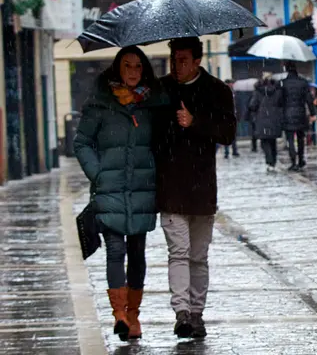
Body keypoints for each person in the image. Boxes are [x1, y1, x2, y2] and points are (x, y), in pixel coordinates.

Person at [74, 46, 169, 341]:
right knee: (115, 250)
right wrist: (97, 173)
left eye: (138, 66)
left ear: (144, 70)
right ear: (117, 68)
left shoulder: (152, 104)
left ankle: (134, 315)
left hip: (141, 190)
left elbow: (163, 143)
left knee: (137, 253)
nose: (132, 71)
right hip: (110, 189)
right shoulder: (100, 103)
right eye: (127, 65)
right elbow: (82, 142)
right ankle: (119, 315)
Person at [153, 37, 237, 339]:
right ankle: (182, 313)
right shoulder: (160, 89)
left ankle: (197, 312)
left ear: (198, 60)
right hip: (171, 187)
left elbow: (228, 133)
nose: (178, 65)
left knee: (198, 255)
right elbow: (152, 135)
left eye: (184, 60)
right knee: (178, 252)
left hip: (202, 187)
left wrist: (195, 121)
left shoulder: (217, 90)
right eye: (174, 59)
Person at [280, 62, 316, 171]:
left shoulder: (283, 83)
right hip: (301, 113)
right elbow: (309, 99)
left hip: (287, 114)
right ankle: (301, 160)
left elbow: (280, 100)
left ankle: (293, 161)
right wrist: (313, 113)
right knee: (301, 139)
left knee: (290, 139)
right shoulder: (303, 83)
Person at [249, 78, 284, 172]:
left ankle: (269, 161)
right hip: (274, 119)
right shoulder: (277, 92)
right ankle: (273, 161)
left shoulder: (257, 92)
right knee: (272, 141)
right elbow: (281, 103)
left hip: (262, 119)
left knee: (264, 141)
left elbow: (252, 105)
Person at [220, 79, 240, 159]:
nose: (232, 85)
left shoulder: (234, 93)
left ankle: (234, 151)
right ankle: (227, 152)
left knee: (233, 136)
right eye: (231, 83)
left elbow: (236, 104)